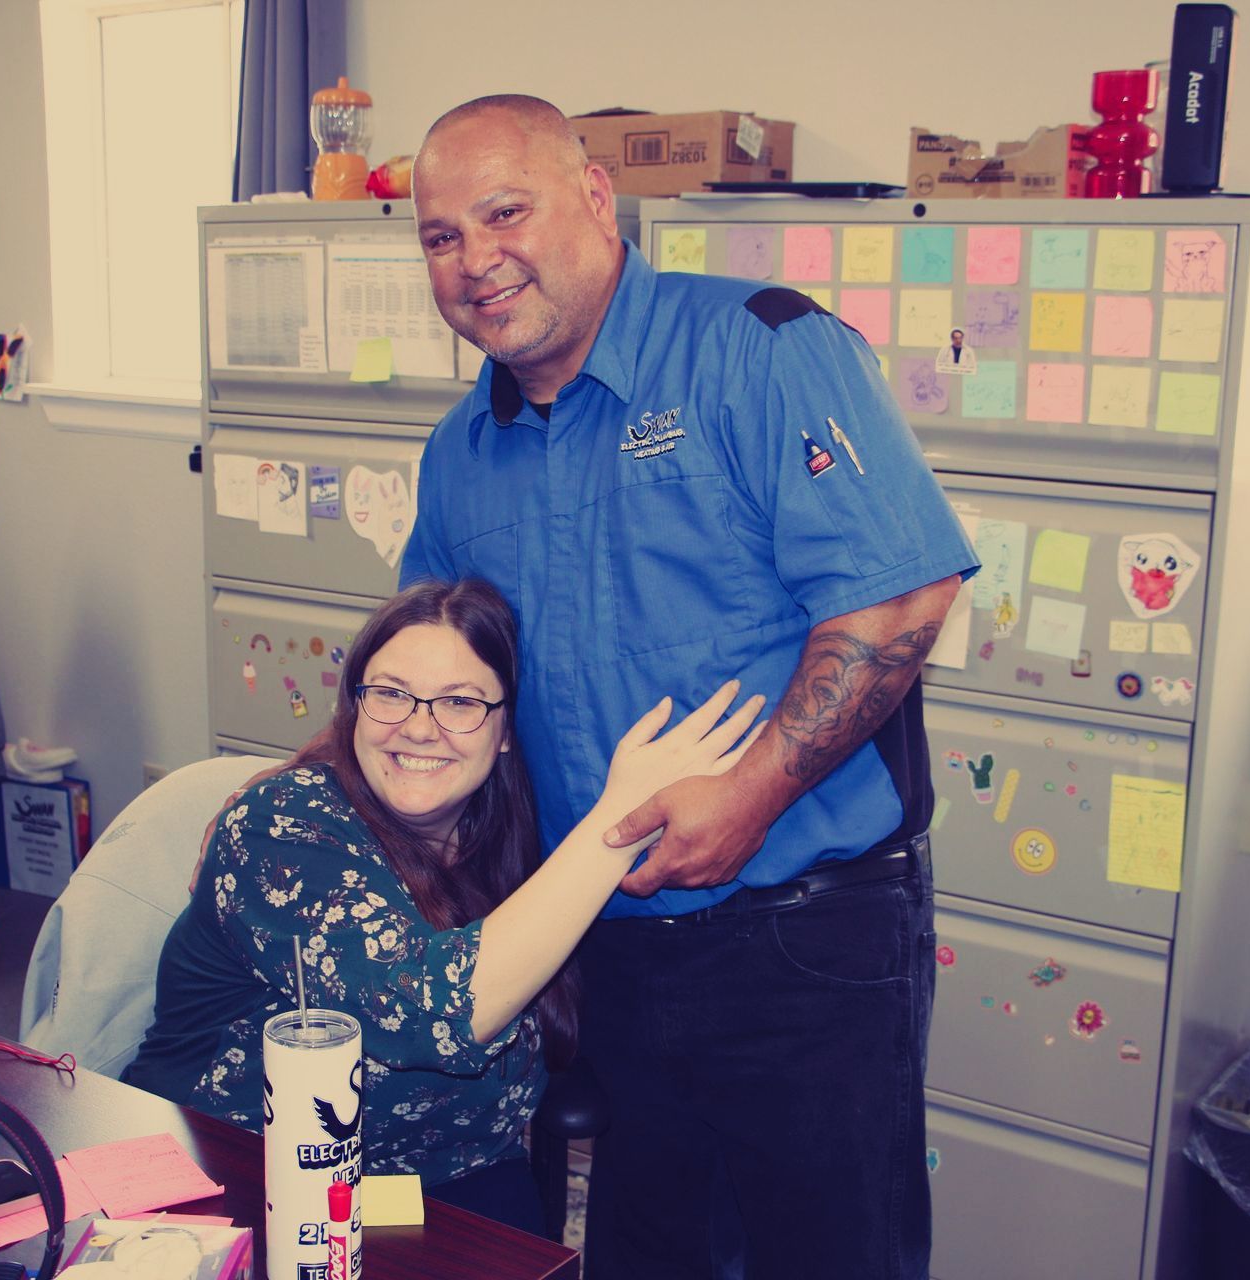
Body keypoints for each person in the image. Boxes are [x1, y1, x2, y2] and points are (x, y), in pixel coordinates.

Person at [405, 95, 979, 1279]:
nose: (474, 260)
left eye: (504, 212)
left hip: (802, 939)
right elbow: (431, 669)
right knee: (645, 1254)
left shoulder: (760, 349)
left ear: (598, 201)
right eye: (440, 236)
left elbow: (902, 598)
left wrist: (754, 791)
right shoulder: (463, 447)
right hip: (601, 949)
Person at [126, 578, 760, 1234]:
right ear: (355, 706)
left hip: (443, 1181)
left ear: (507, 729)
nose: (419, 728)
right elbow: (433, 1010)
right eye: (391, 694)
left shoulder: (514, 835)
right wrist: (616, 825)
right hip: (235, 1173)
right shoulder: (283, 827)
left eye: (460, 702)